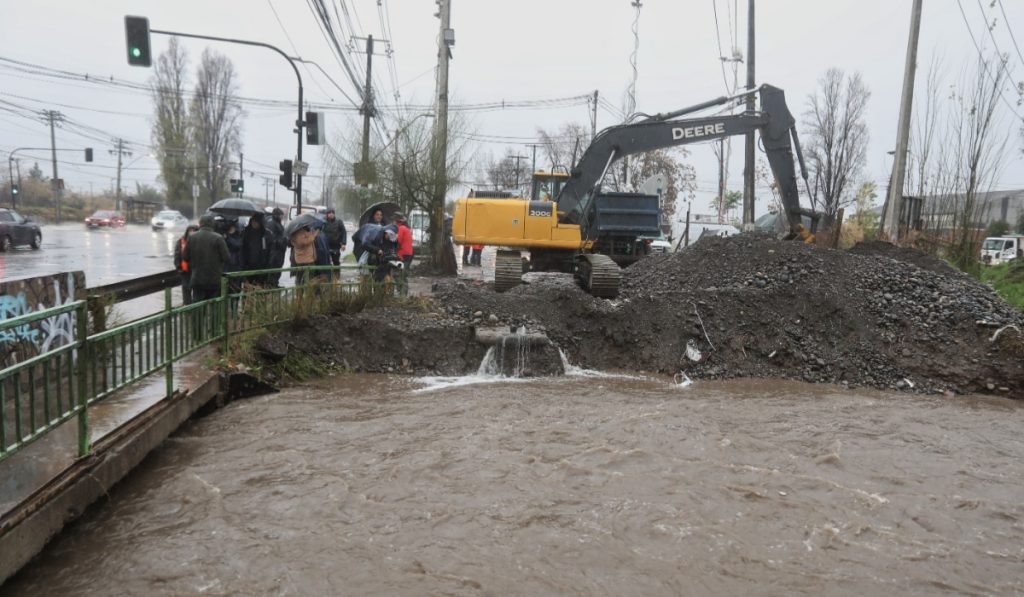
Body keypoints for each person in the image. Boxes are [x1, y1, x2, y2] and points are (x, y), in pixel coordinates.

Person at [182, 214, 229, 302]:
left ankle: (197, 316)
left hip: (197, 279)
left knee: (198, 308)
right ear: (212, 224)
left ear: (200, 223)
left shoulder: (192, 237)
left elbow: (185, 257)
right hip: (214, 280)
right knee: (214, 307)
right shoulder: (218, 238)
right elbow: (226, 257)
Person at [241, 212, 269, 285]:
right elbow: (242, 250)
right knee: (248, 288)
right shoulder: (245, 232)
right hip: (248, 267)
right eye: (253, 221)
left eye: (257, 222)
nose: (255, 224)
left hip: (261, 267)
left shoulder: (265, 234)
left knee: (259, 288)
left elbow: (268, 251)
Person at [173, 224, 199, 304]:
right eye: (190, 231)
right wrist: (179, 267)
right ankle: (187, 309)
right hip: (185, 271)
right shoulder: (181, 241)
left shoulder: (199, 241)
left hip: (196, 270)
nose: (191, 233)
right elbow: (177, 255)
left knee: (197, 291)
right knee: (186, 290)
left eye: (193, 231)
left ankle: (196, 309)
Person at [264, 207, 287, 287]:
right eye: (281, 215)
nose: (282, 217)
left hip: (280, 251)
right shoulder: (272, 223)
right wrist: (282, 241)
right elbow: (272, 238)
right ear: (276, 215)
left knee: (278, 268)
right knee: (274, 268)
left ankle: (275, 283)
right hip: (275, 251)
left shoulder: (278, 223)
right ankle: (271, 285)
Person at [394, 213, 413, 295]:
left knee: (398, 274)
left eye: (394, 221)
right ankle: (403, 293)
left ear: (397, 221)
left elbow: (398, 241)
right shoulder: (407, 228)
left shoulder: (401, 228)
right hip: (409, 254)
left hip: (403, 254)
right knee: (403, 274)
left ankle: (402, 293)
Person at [222, 219, 244, 293]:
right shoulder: (223, 236)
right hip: (225, 267)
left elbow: (237, 245)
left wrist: (227, 238)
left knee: (235, 291)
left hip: (235, 267)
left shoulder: (238, 235)